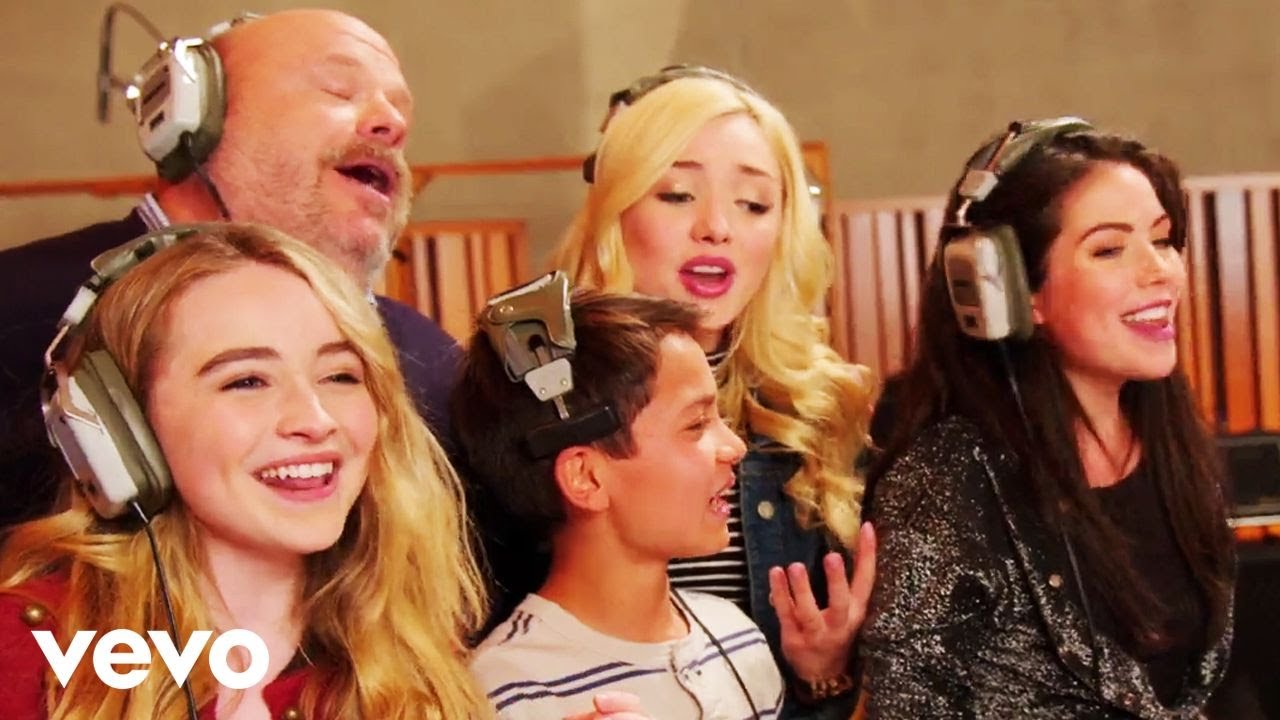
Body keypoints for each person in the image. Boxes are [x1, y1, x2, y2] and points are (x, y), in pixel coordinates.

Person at [0, 224, 489, 718]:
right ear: (119, 430)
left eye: (340, 375)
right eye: (247, 381)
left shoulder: (418, 658)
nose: (316, 420)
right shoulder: (24, 651)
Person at [0, 9, 457, 529]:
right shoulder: (15, 310)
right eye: (338, 90)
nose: (392, 125)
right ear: (190, 123)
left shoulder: (432, 358)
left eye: (400, 111)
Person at [861, 119, 1235, 718]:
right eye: (1110, 249)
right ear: (1010, 290)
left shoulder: (1174, 446)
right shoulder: (944, 482)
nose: (1160, 270)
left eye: (1163, 240)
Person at [539, 67, 875, 718]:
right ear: (616, 207)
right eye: (677, 194)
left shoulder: (819, 404)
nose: (717, 227)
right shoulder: (534, 392)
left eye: (754, 204)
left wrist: (823, 675)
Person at [454, 278, 783, 719]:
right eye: (696, 424)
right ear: (586, 477)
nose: (735, 447)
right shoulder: (506, 689)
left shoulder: (737, 639)